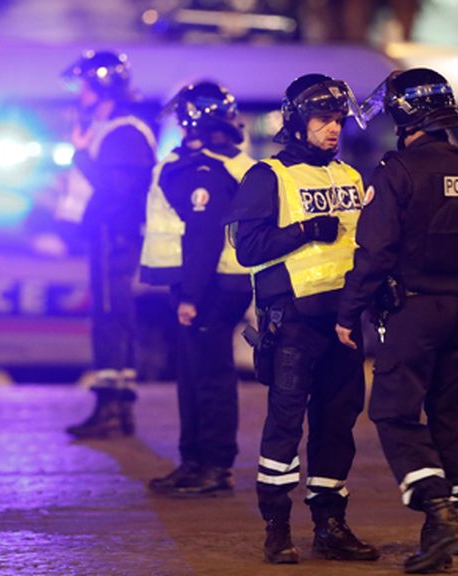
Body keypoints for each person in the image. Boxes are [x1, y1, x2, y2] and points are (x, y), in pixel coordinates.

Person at [334, 68, 458, 574]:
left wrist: (349, 312)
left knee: (393, 413)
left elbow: (375, 251)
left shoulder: (398, 169)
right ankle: (439, 540)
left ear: (404, 118)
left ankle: (436, 509)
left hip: (414, 311)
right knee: (450, 422)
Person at [226, 73, 379, 564]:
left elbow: (363, 248)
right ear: (297, 121)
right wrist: (308, 229)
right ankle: (276, 526)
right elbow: (247, 249)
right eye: (322, 119)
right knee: (285, 427)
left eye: (338, 120)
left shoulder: (350, 176)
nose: (333, 129)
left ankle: (331, 526)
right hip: (291, 322)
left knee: (337, 425)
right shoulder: (267, 176)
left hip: (343, 323)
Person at [140, 81, 254, 496]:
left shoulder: (205, 169)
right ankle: (194, 461)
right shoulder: (224, 162)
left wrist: (190, 295)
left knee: (209, 377)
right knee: (192, 375)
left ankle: (215, 465)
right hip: (214, 282)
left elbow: (204, 234)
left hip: (210, 285)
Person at [60, 50, 157, 440]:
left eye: (84, 86)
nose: (79, 94)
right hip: (105, 236)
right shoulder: (108, 129)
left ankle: (113, 410)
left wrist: (82, 155)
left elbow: (120, 188)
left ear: (102, 88)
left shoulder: (125, 131)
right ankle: (115, 408)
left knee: (111, 317)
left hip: (114, 237)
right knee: (109, 316)